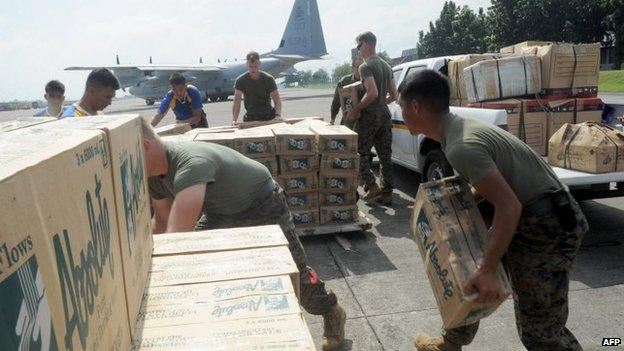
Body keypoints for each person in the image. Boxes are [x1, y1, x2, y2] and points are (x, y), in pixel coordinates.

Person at [397, 70, 589, 351]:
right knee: (466, 270)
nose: (400, 113)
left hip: (547, 226)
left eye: (402, 106)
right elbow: (499, 184)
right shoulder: (457, 129)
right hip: (533, 214)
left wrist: (488, 269)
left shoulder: (462, 144)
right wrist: (462, 204)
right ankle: (450, 343)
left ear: (416, 106)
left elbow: (509, 206)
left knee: (540, 331)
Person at [140, 119, 346, 351]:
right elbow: (161, 222)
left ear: (145, 147)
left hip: (263, 204)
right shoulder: (154, 176)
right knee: (204, 268)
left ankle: (332, 312)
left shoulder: (190, 166)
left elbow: (177, 240)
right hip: (221, 213)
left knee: (293, 276)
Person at [345, 31, 398, 206]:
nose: (358, 50)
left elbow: (372, 92)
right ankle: (387, 193)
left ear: (366, 44)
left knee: (358, 152)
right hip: (384, 115)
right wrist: (382, 104)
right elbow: (394, 95)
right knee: (385, 156)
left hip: (369, 117)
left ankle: (370, 185)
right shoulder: (386, 65)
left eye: (359, 46)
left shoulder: (365, 66)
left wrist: (356, 109)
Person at [232, 51, 282, 124]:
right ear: (247, 64)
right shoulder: (240, 80)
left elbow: (277, 99)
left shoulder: (268, 79)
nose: (253, 69)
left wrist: (278, 115)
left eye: (256, 66)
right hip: (251, 117)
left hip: (268, 116)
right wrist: (234, 120)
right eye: (251, 67)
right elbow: (237, 101)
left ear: (259, 64)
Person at [330, 57, 364, 129]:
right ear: (353, 68)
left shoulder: (369, 82)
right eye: (357, 67)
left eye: (362, 66)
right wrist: (332, 119)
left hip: (364, 120)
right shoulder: (344, 81)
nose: (360, 69)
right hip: (349, 118)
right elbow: (336, 101)